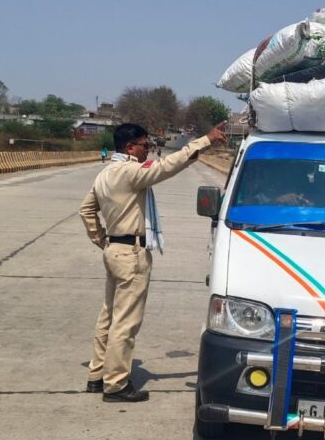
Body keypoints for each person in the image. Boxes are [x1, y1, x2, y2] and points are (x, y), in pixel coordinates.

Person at [79, 120, 228, 403]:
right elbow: (167, 166)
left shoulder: (105, 173)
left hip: (114, 250)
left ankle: (97, 375)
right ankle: (116, 385)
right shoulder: (130, 172)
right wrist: (204, 140)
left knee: (108, 317)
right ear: (130, 147)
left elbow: (85, 210)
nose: (148, 150)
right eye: (145, 145)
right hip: (131, 254)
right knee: (125, 323)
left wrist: (103, 240)